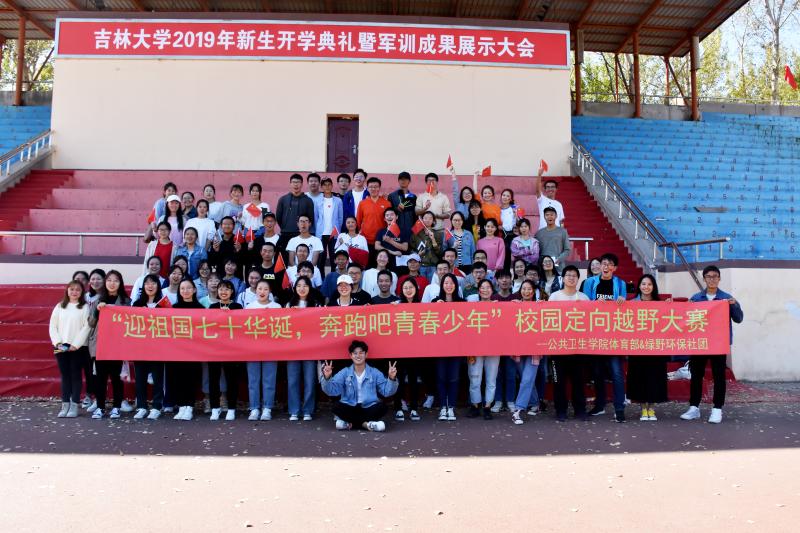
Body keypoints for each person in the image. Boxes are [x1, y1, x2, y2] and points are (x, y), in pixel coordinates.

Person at [681, 265, 744, 424]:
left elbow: (739, 318)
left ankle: (717, 409)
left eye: (715, 276)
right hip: (700, 342)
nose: (712, 279)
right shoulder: (696, 298)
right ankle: (694, 407)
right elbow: (685, 320)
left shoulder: (726, 298)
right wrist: (685, 307)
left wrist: (734, 305)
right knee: (696, 375)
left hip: (718, 343)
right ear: (704, 279)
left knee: (719, 376)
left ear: (719, 278)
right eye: (709, 276)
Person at [582, 253, 628, 423]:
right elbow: (584, 304)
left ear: (614, 268)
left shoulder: (620, 284)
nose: (606, 267)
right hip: (595, 334)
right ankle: (599, 405)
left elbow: (625, 309)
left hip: (613, 335)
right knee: (597, 372)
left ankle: (619, 408)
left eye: (610, 264)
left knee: (616, 372)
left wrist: (623, 300)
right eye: (603, 263)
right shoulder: (589, 283)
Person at [320, 341, 398, 432]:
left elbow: (387, 391)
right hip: (350, 406)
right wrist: (327, 378)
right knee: (336, 407)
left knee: (382, 407)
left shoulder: (374, 372)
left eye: (361, 353)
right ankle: (366, 424)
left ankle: (350, 424)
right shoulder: (345, 372)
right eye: (355, 353)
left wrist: (391, 378)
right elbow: (331, 391)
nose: (358, 356)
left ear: (366, 354)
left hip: (369, 407)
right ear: (351, 355)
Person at [626, 275, 670, 422]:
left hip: (655, 347)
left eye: (649, 284)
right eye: (643, 284)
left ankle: (651, 407)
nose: (646, 287)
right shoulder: (631, 304)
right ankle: (643, 407)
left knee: (654, 378)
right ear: (639, 286)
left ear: (653, 287)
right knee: (639, 377)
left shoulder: (660, 304)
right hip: (637, 347)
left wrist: (670, 306)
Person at [88, 270, 131, 419]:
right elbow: (91, 323)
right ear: (105, 282)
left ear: (120, 283)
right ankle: (100, 407)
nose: (112, 283)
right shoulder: (98, 300)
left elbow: (130, 321)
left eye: (116, 280)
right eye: (109, 280)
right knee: (100, 378)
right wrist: (97, 311)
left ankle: (116, 407)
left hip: (117, 345)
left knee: (116, 377)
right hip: (101, 344)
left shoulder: (126, 301)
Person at [549, 265, 590, 421]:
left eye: (574, 275)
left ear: (578, 279)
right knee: (558, 381)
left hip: (578, 348)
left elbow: (590, 321)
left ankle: (580, 410)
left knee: (578, 381)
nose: (571, 278)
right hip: (558, 347)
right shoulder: (554, 297)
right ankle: (561, 410)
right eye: (568, 275)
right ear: (563, 278)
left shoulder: (584, 298)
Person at [49, 280, 91, 418]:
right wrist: (57, 342)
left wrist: (75, 344)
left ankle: (74, 405)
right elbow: (53, 326)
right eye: (71, 289)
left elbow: (86, 327)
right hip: (61, 346)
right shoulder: (60, 306)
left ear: (82, 292)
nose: (74, 292)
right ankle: (65, 404)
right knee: (65, 375)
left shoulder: (84, 307)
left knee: (76, 376)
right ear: (67, 290)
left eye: (77, 290)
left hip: (78, 347)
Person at [285, 276, 323, 421]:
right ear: (295, 288)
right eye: (299, 285)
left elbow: (320, 325)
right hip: (292, 349)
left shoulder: (316, 305)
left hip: (310, 349)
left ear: (310, 288)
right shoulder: (289, 304)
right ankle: (294, 410)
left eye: (305, 285)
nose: (302, 288)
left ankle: (308, 410)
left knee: (309, 380)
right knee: (292, 381)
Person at [245, 280, 282, 421]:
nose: (262, 291)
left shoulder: (276, 307)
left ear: (270, 291)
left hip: (271, 349)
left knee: (269, 379)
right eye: (260, 288)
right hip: (252, 349)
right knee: (253, 380)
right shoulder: (249, 307)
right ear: (256, 290)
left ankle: (267, 408)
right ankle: (254, 408)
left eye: (265, 289)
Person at [207, 280, 244, 421]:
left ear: (232, 292)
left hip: (232, 349)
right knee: (213, 379)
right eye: (221, 289)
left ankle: (231, 409)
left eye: (227, 289)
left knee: (231, 379)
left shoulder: (237, 307)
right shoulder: (212, 307)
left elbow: (242, 325)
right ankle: (215, 408)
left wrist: (231, 315)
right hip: (214, 349)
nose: (224, 292)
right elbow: (207, 326)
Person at [131, 274, 165, 420]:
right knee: (140, 378)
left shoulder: (164, 303)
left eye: (153, 283)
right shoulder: (137, 304)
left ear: (158, 286)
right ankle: (142, 406)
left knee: (157, 378)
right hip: (140, 347)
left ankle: (157, 407)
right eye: (147, 283)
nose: (150, 286)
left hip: (158, 347)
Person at [169, 279, 204, 420]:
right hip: (178, 350)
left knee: (191, 378)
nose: (185, 291)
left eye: (189, 288)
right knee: (178, 378)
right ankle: (181, 406)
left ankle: (189, 407)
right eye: (182, 288)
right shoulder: (174, 308)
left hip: (194, 350)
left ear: (194, 290)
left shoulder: (200, 308)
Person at [510, 280, 543, 425]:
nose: (526, 291)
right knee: (526, 378)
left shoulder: (540, 306)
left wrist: (543, 307)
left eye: (529, 289)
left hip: (535, 349)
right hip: (518, 348)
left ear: (534, 291)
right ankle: (535, 403)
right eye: (524, 288)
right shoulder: (514, 305)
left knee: (527, 378)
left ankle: (518, 410)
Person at [467, 279, 501, 420]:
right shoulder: (471, 307)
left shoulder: (499, 307)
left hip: (494, 348)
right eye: (483, 287)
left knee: (491, 379)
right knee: (474, 377)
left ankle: (487, 406)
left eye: (488, 287)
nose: (485, 290)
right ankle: (475, 405)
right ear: (479, 290)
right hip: (475, 348)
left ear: (492, 290)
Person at [432, 273, 464, 422]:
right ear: (442, 285)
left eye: (451, 283)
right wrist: (435, 308)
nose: (449, 286)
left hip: (457, 347)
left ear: (456, 285)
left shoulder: (462, 303)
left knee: (454, 378)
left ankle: (451, 406)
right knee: (441, 377)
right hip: (439, 347)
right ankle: (442, 407)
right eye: (446, 283)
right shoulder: (435, 301)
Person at [393, 278, 423, 421]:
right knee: (398, 378)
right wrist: (391, 308)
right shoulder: (396, 305)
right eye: (405, 288)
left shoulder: (422, 306)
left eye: (411, 287)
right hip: (398, 349)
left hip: (415, 349)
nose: (408, 290)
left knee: (413, 379)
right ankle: (398, 407)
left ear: (416, 289)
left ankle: (414, 408)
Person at [276, 174, 316, 259]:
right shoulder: (283, 199)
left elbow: (311, 218)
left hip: (301, 235)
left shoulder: (308, 201)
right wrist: (285, 227)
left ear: (302, 184)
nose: (296, 184)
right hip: (285, 234)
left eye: (298, 182)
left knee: (301, 259)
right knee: (284, 259)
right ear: (290, 184)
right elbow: (278, 217)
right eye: (294, 182)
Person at [356, 177, 392, 257]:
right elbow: (358, 221)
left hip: (382, 240)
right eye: (371, 187)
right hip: (366, 239)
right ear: (367, 188)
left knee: (381, 262)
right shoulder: (362, 203)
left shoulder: (387, 203)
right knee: (368, 262)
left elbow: (390, 222)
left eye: (375, 187)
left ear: (379, 188)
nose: (373, 189)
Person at [314, 176, 343, 270]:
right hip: (321, 233)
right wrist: (318, 229)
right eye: (325, 185)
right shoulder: (317, 201)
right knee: (321, 257)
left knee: (334, 257)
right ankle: (321, 277)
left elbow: (340, 218)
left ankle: (334, 275)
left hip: (333, 233)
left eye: (329, 184)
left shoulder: (338, 201)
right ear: (321, 187)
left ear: (332, 186)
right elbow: (316, 217)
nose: (327, 187)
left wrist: (337, 229)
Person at [410, 211, 442, 281]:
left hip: (433, 265)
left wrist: (433, 239)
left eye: (430, 218)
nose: (428, 220)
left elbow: (439, 252)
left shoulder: (438, 234)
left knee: (432, 285)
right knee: (421, 285)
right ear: (422, 220)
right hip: (420, 265)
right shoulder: (416, 233)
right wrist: (417, 254)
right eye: (425, 218)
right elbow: (411, 249)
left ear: (433, 221)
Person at [387, 171, 416, 241]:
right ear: (398, 181)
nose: (403, 181)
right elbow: (389, 211)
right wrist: (397, 209)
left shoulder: (413, 196)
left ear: (409, 181)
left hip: (410, 227)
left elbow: (415, 213)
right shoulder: (392, 196)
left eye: (406, 179)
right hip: (396, 227)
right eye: (401, 179)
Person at [534, 165, 565, 230]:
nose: (550, 189)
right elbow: (537, 190)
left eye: (552, 187)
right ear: (545, 189)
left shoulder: (559, 204)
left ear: (556, 189)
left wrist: (562, 233)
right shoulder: (542, 200)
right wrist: (539, 175)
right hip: (543, 232)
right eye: (548, 187)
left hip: (555, 233)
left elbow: (561, 221)